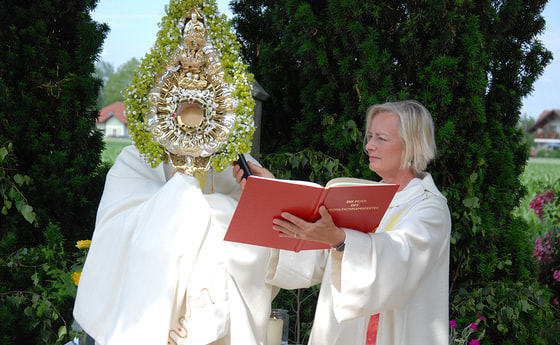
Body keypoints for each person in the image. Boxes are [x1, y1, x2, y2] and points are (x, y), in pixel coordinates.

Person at [233, 100, 451, 345]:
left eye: (381, 138)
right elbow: (321, 262)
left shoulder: (429, 207)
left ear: (412, 144)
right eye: (369, 136)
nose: (369, 145)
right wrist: (271, 194)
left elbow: (401, 257)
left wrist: (340, 240)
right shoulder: (365, 198)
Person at [74, 145, 276, 345]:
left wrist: (263, 194)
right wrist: (177, 194)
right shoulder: (135, 160)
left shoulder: (238, 163)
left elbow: (273, 240)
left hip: (231, 326)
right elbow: (114, 233)